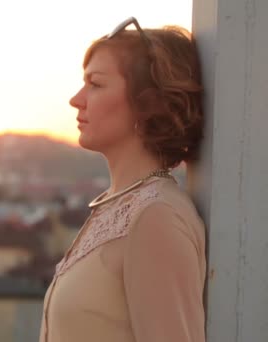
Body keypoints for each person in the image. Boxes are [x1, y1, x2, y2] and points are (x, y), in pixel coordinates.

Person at [39, 17, 206, 342]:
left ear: (148, 103)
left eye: (96, 84)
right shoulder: (118, 205)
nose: (76, 99)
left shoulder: (156, 217)